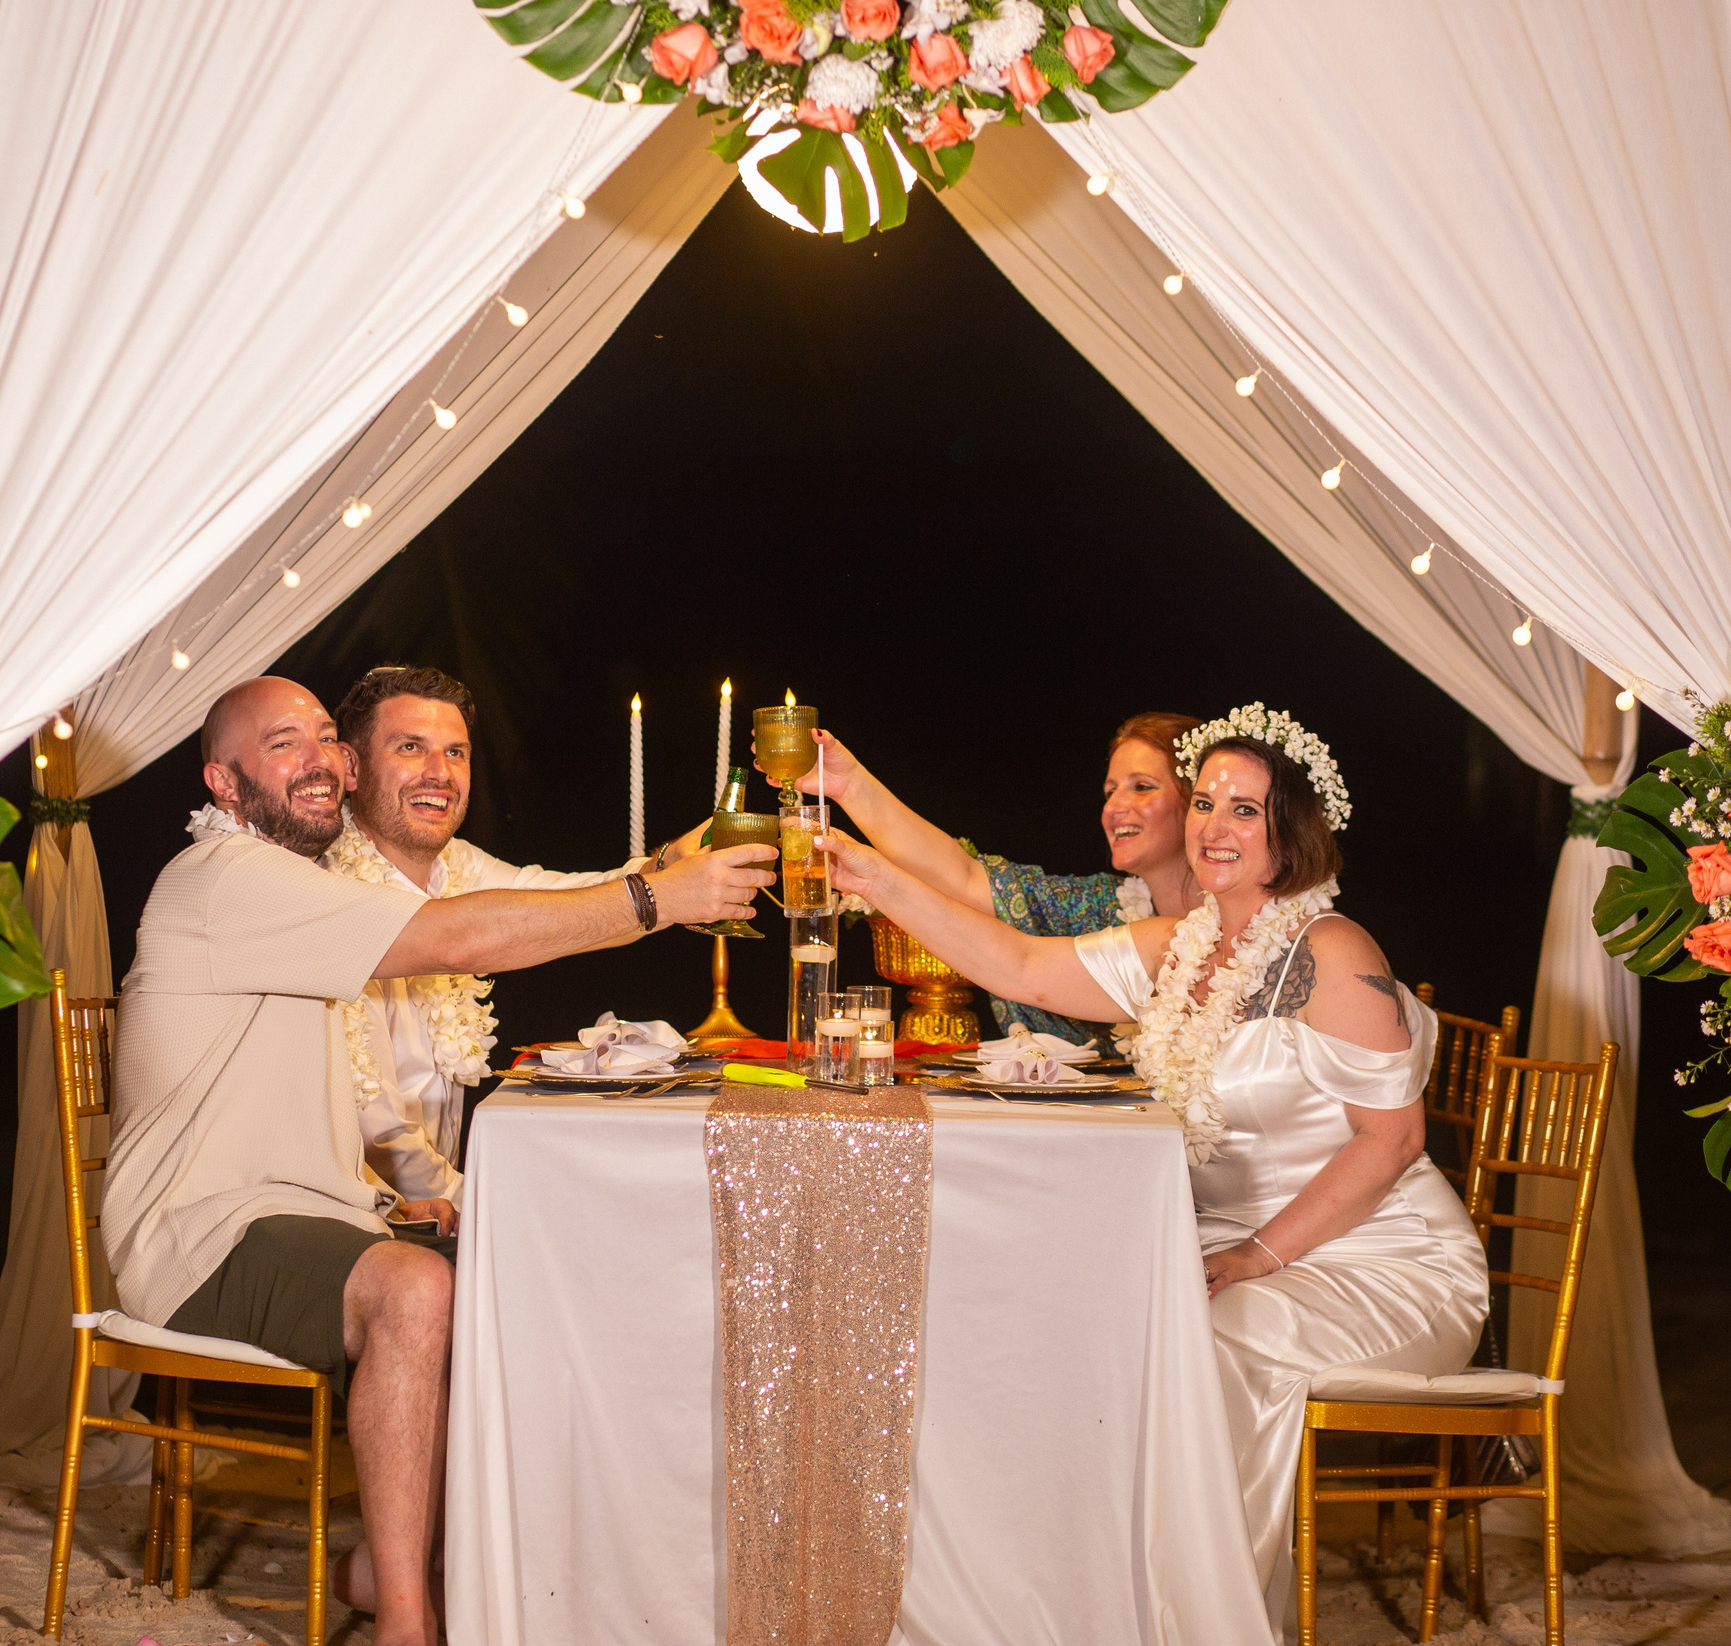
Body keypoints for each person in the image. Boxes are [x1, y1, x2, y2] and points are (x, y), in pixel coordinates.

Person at [102, 676, 772, 1646]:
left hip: (317, 1218)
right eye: (283, 745)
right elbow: (452, 934)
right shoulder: (225, 877)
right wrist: (649, 898)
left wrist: (664, 869)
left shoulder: (320, 877)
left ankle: (444, 1561)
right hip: (199, 1233)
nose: (320, 758)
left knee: (526, 1277)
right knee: (416, 1292)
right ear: (225, 782)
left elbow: (499, 897)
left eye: (325, 739)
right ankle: (408, 1623)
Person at [820, 708, 1486, 1631]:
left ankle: (1193, 1622)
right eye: (1206, 801)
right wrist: (869, 874)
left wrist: (1258, 1254)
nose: (1214, 824)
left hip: (1381, 1259)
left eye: (1244, 809)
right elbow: (1018, 962)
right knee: (1073, 1327)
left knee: (1210, 1345)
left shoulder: (1334, 955)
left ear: (1290, 831)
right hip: (1227, 1248)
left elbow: (1394, 1141)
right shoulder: (1177, 947)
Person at [324, 665, 712, 1175]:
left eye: (455, 752)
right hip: (365, 1215)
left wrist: (668, 865)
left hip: (447, 1197)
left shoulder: (458, 865)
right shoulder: (323, 888)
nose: (439, 773)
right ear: (350, 767)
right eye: (411, 748)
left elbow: (566, 901)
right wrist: (468, 1204)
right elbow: (373, 1123)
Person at [783, 711, 1203, 1043]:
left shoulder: (1249, 929)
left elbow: (1025, 968)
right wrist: (849, 786)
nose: (1113, 808)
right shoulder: (1102, 906)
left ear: (1201, 801)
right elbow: (966, 879)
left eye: (1142, 787)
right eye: (1110, 792)